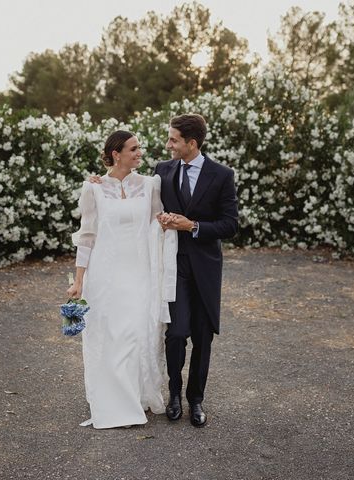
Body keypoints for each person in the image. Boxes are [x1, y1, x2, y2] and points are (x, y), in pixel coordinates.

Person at [66, 130, 171, 429]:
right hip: (105, 273)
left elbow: (159, 223)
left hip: (140, 272)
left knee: (137, 333)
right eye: (134, 149)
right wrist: (78, 281)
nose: (140, 153)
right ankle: (116, 402)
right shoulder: (94, 189)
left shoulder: (151, 185)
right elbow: (87, 236)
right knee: (111, 334)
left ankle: (137, 395)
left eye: (139, 148)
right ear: (116, 153)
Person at [155, 114, 238, 427]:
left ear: (192, 143)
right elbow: (133, 190)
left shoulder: (221, 175)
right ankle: (174, 394)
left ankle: (196, 399)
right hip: (173, 265)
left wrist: (193, 226)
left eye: (174, 139)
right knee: (176, 333)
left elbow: (231, 225)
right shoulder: (161, 170)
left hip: (205, 268)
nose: (169, 144)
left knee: (203, 337)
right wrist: (100, 181)